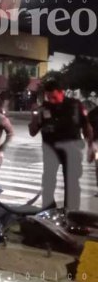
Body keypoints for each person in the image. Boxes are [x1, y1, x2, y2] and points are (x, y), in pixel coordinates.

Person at [29, 78, 95, 210]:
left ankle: (70, 212)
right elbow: (33, 132)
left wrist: (91, 146)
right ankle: (48, 211)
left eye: (53, 97)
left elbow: (86, 125)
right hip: (50, 151)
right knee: (48, 182)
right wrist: (35, 116)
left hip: (72, 150)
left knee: (72, 183)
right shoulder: (44, 108)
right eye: (48, 97)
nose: (51, 100)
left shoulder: (75, 105)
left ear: (61, 92)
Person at [88, 106, 98, 197]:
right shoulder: (92, 114)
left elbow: (89, 130)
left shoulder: (92, 113)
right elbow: (89, 130)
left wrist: (90, 146)